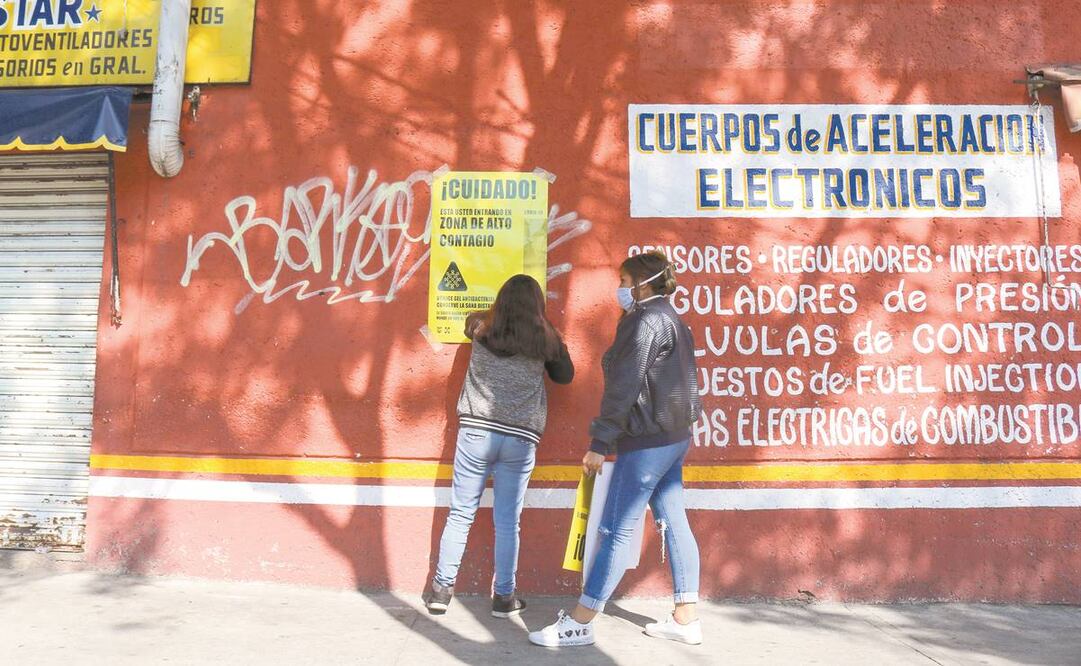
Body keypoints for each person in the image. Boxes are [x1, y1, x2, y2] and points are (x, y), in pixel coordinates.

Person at [529, 250, 703, 647]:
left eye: (624, 282)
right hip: (674, 437)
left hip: (646, 443)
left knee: (615, 529)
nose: (620, 290)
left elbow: (624, 387)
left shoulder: (644, 322)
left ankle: (581, 621)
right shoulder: (672, 318)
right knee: (674, 521)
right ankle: (686, 618)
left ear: (643, 284)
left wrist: (600, 443)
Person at [426, 274, 574, 619]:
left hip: (476, 432)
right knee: (508, 521)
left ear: (501, 300)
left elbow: (473, 323)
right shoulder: (545, 341)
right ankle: (504, 597)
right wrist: (550, 332)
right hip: (520, 438)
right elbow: (565, 375)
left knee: (461, 513)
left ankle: (441, 592)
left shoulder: (479, 328)